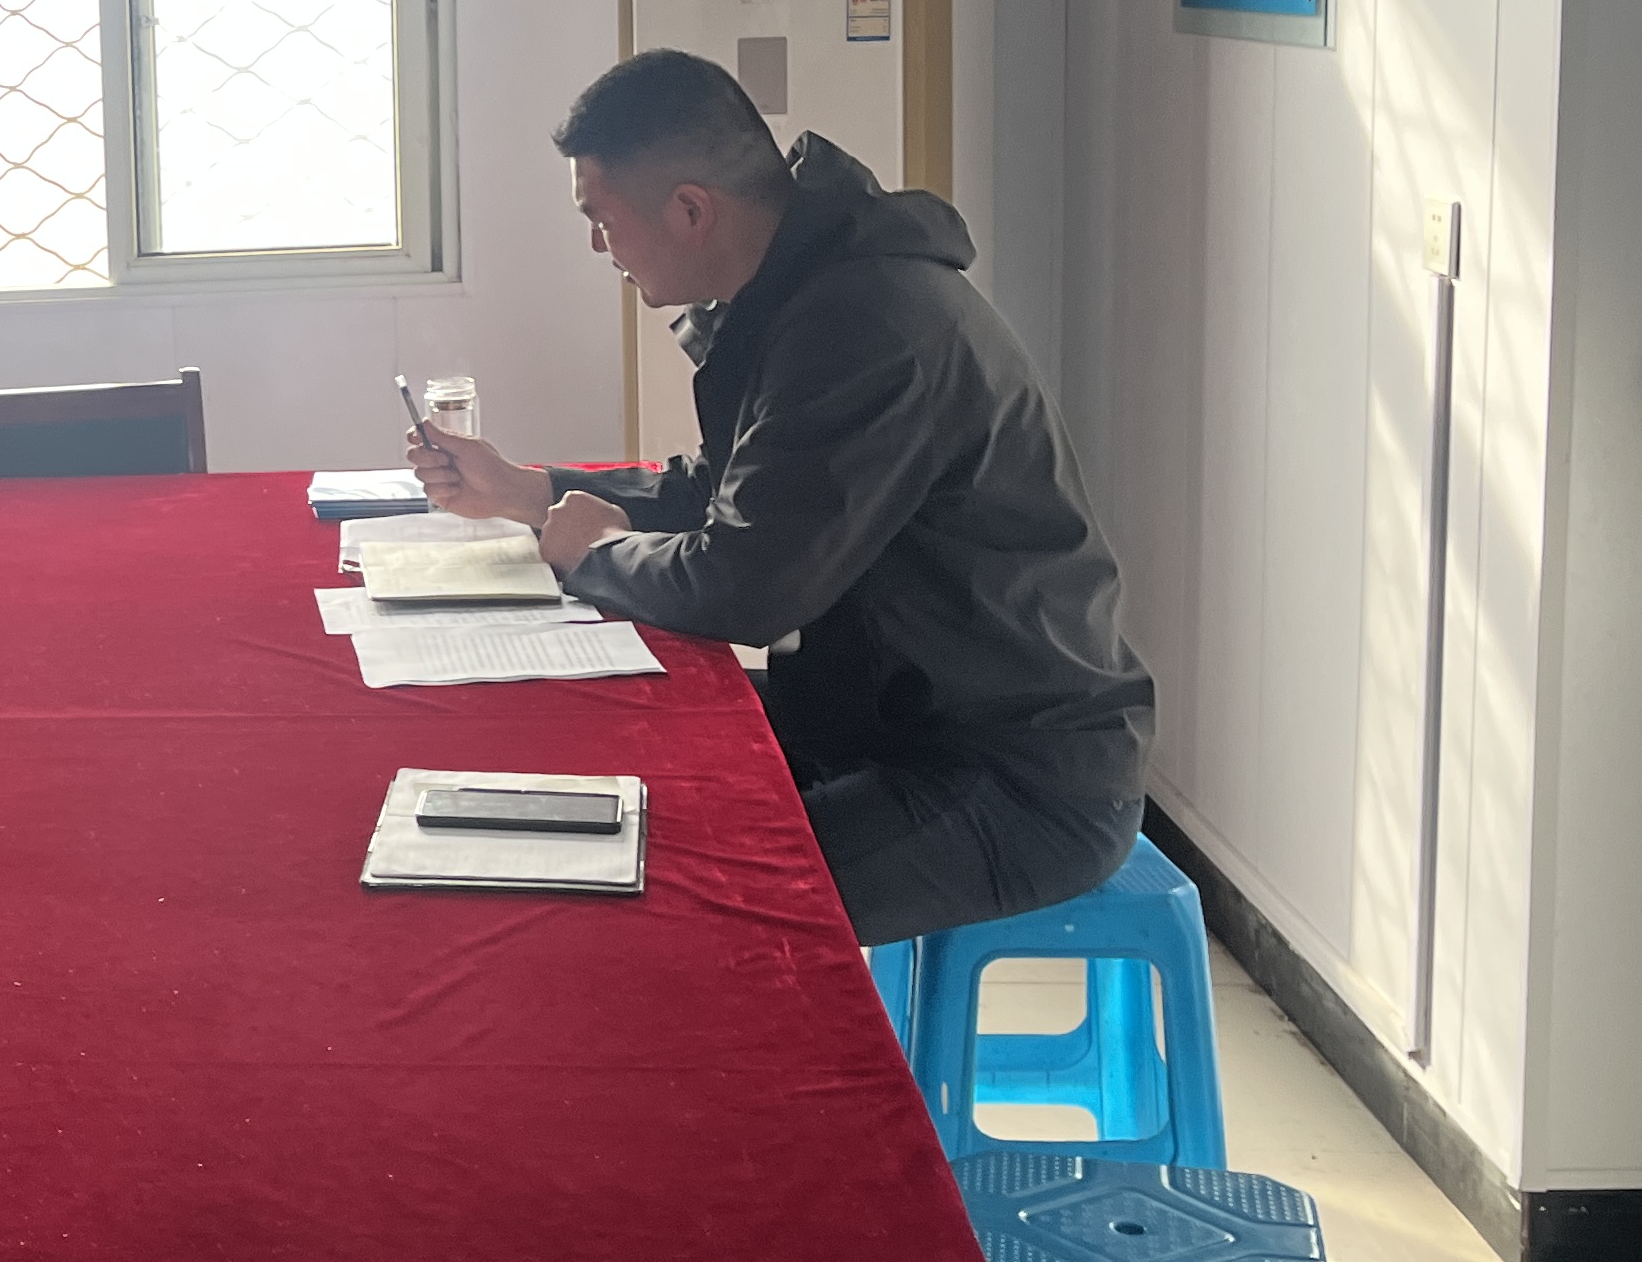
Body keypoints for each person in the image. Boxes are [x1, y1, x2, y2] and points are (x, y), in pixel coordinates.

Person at [409, 50, 1151, 947]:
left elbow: (748, 586)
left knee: (682, 899)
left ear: (691, 211)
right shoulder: (808, 288)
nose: (598, 248)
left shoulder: (869, 324)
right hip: (884, 712)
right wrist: (533, 493)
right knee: (607, 747)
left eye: (601, 220)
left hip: (1011, 772)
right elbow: (728, 490)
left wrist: (597, 556)